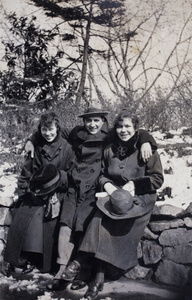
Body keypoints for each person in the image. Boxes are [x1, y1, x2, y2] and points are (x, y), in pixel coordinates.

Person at [24, 106, 158, 290]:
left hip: (97, 186)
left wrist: (145, 139)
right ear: (83, 122)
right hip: (79, 183)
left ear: (103, 121)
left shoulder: (110, 136)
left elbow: (135, 133)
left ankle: (84, 271)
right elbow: (50, 130)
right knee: (66, 221)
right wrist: (31, 140)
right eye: (88, 120)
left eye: (96, 120)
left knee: (85, 221)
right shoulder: (77, 133)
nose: (92, 124)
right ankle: (63, 268)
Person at [61, 110, 164, 299]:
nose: (123, 130)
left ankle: (83, 264)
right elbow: (102, 174)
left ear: (136, 129)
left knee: (109, 224)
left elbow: (157, 179)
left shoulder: (146, 148)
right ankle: (96, 276)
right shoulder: (110, 148)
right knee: (98, 219)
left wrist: (134, 185)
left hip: (139, 200)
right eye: (120, 126)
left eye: (127, 126)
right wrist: (107, 185)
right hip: (114, 195)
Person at [3, 112, 74, 275]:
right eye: (44, 130)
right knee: (24, 213)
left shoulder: (68, 148)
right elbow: (25, 172)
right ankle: (16, 258)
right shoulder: (35, 146)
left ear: (57, 127)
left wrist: (57, 182)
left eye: (51, 129)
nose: (48, 133)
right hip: (35, 192)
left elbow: (71, 174)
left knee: (48, 218)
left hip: (57, 193)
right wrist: (27, 191)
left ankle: (44, 261)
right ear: (39, 130)